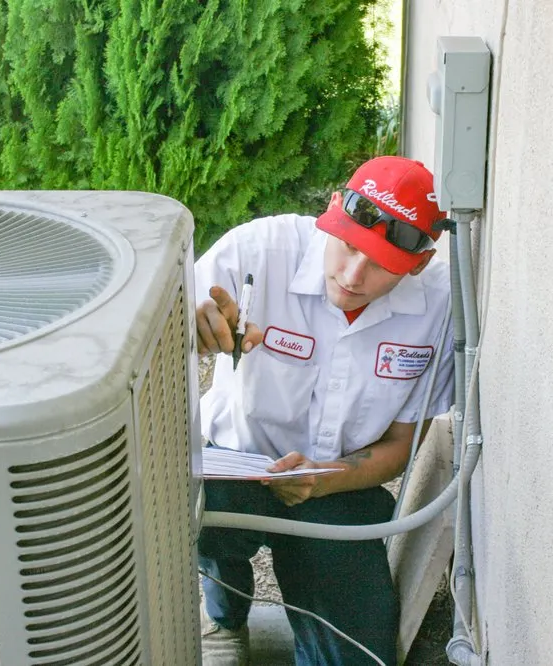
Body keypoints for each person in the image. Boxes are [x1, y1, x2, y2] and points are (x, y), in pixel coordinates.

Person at [193, 156, 455, 666]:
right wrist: (196, 330)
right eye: (349, 245)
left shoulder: (441, 308)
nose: (353, 276)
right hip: (234, 467)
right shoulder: (258, 250)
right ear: (332, 211)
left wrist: (326, 479)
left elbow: (402, 445)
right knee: (200, 520)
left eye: (381, 264)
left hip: (338, 484)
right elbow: (154, 341)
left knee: (356, 658)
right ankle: (223, 616)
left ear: (418, 264)